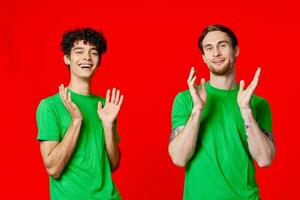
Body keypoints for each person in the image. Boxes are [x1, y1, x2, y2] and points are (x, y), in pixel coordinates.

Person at [168, 24, 275, 200]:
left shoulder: (257, 103)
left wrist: (246, 111)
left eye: (222, 45)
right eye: (209, 48)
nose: (216, 53)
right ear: (203, 57)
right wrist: (197, 110)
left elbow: (264, 159)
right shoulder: (186, 99)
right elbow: (179, 158)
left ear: (236, 50)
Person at [36, 28, 123, 200]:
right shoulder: (50, 106)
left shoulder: (105, 106)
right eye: (79, 51)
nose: (87, 57)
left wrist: (108, 125)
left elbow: (113, 165)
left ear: (98, 62)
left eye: (93, 52)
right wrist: (76, 121)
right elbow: (53, 169)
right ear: (67, 59)